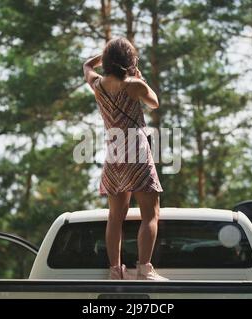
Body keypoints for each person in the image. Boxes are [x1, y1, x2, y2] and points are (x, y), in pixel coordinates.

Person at [83, 37, 168, 280]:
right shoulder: (133, 85)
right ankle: (144, 268)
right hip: (136, 150)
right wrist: (139, 77)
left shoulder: (98, 84)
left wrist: (104, 57)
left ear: (108, 61)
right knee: (150, 214)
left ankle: (115, 270)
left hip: (114, 152)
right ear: (129, 61)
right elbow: (154, 102)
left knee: (115, 216)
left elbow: (86, 67)